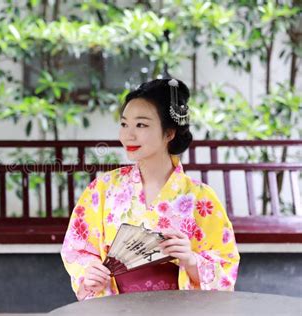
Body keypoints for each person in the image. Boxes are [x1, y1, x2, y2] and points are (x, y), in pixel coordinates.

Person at [60, 78, 240, 301]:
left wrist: (191, 261)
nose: (128, 135)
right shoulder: (102, 189)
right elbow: (77, 249)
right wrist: (90, 272)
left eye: (141, 125)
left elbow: (225, 263)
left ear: (169, 133)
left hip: (177, 309)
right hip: (118, 309)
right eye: (124, 124)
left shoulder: (201, 198)